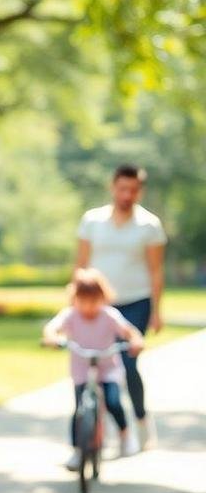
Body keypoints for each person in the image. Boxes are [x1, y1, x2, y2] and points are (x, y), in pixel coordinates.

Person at [75, 164, 166, 448]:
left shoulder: (149, 225)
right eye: (122, 188)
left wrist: (157, 311)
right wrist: (73, 301)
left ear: (140, 191)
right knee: (95, 363)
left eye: (133, 190)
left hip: (136, 301)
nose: (127, 195)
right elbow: (81, 265)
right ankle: (98, 429)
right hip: (98, 304)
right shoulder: (92, 221)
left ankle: (139, 420)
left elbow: (155, 271)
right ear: (113, 187)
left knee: (127, 363)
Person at [42, 268, 145, 467]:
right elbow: (52, 327)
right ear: (75, 299)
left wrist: (135, 341)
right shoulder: (71, 315)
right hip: (82, 368)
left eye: (93, 301)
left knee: (114, 402)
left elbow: (129, 331)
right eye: (83, 301)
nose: (88, 307)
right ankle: (78, 451)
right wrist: (52, 337)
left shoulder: (109, 315)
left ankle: (125, 435)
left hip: (108, 368)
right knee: (80, 409)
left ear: (103, 298)